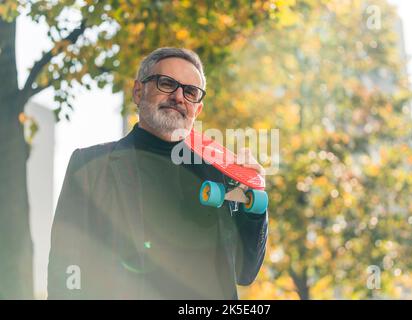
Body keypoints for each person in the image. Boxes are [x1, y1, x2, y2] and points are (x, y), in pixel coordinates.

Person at [47, 47, 268, 299]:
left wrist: (254, 197)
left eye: (190, 91)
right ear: (138, 91)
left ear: (198, 109)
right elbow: (66, 264)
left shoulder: (221, 174)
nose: (178, 96)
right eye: (166, 83)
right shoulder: (89, 166)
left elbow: (244, 271)